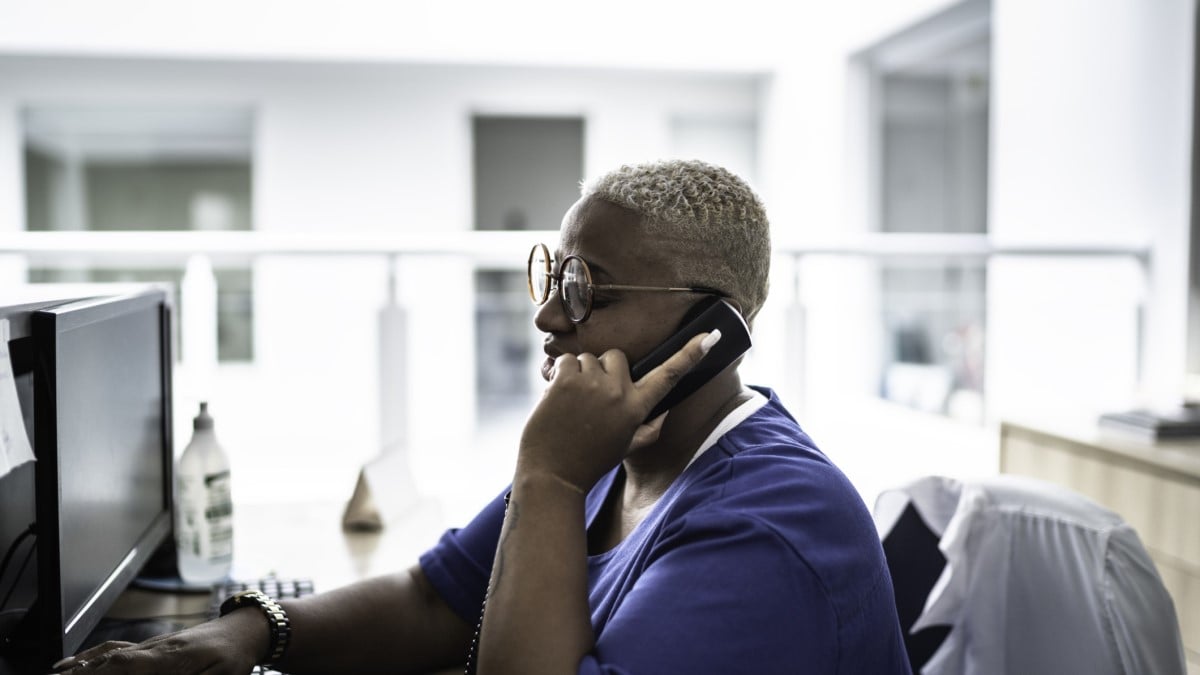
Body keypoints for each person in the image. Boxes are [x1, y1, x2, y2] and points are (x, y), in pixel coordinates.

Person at [53, 159, 911, 674]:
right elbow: (438, 597)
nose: (547, 317)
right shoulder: (621, 443)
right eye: (553, 275)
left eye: (587, 292)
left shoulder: (771, 530)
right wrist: (242, 636)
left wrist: (549, 474)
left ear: (713, 330)